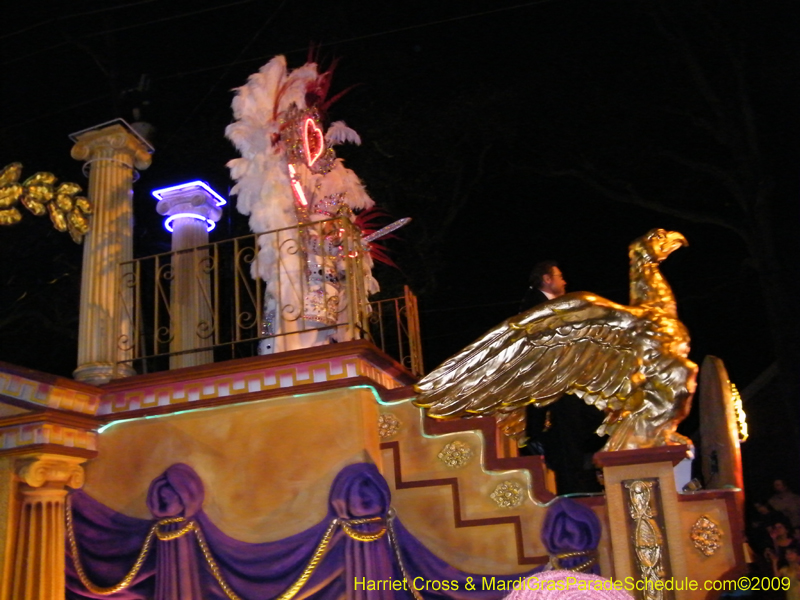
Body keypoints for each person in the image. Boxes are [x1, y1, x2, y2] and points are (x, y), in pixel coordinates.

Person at [518, 261, 604, 495]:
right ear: (547, 279)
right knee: (569, 435)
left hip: (565, 382)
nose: (564, 281)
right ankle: (572, 487)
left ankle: (580, 475)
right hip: (553, 385)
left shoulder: (551, 305)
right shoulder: (534, 306)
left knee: (590, 423)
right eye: (560, 276)